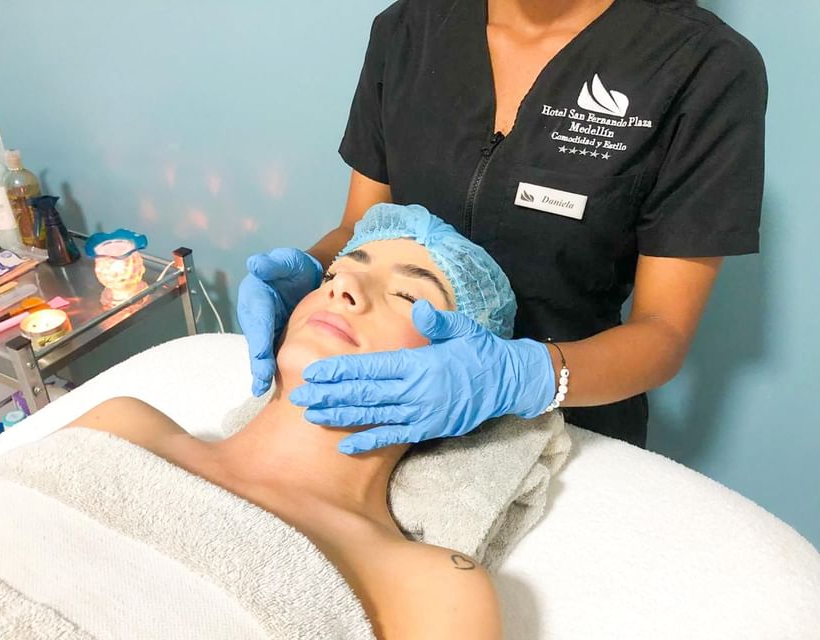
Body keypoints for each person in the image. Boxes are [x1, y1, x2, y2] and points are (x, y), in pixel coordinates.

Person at [238, 0, 768, 450]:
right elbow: (361, 226)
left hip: (567, 428)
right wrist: (311, 269)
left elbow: (663, 333)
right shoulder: (409, 30)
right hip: (384, 397)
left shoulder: (701, 67)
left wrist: (522, 377)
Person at [62, 205, 514, 639]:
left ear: (459, 384)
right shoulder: (122, 425)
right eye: (336, 273)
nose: (343, 287)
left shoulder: (430, 589)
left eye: (408, 296)